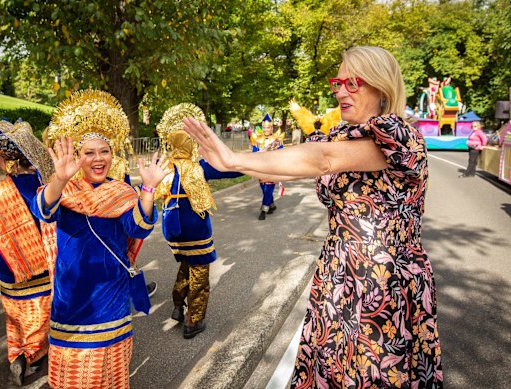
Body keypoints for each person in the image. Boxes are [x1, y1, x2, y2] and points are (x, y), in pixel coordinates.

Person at [183, 46, 443, 388]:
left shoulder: (400, 137)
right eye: (338, 82)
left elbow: (323, 160)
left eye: (353, 82)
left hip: (383, 289)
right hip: (338, 280)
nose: (339, 91)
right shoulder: (342, 136)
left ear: (381, 86)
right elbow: (293, 166)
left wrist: (233, 159)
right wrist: (232, 163)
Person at [30, 90, 168, 389]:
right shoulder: (65, 190)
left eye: (103, 151)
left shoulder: (120, 191)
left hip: (111, 296)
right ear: (78, 157)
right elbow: (42, 210)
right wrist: (61, 179)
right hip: (73, 298)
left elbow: (139, 228)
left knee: (110, 375)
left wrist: (148, 190)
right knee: (72, 375)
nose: (97, 159)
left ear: (112, 155)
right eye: (88, 152)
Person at [0, 119, 54, 385]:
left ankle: (17, 353)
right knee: (39, 313)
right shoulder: (44, 186)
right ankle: (34, 353)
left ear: (8, 161)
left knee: (15, 314)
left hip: (7, 264)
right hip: (38, 262)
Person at [155, 103, 243, 339]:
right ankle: (194, 320)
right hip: (197, 231)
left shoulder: (166, 168)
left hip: (175, 230)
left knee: (185, 265)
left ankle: (177, 305)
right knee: (200, 275)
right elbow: (232, 169)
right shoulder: (199, 168)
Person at [250, 114, 285, 220]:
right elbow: (254, 152)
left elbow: (281, 152)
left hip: (272, 169)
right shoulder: (257, 139)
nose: (266, 129)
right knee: (264, 189)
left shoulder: (277, 139)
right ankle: (272, 204)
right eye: (264, 127)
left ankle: (263, 210)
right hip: (261, 169)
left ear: (271, 127)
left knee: (268, 189)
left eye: (268, 127)